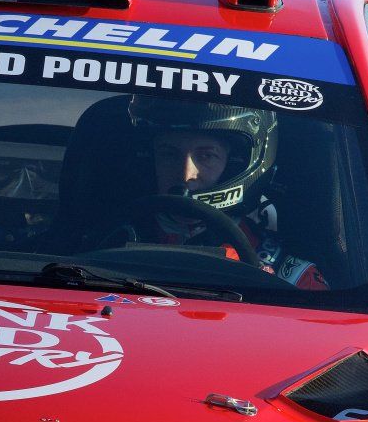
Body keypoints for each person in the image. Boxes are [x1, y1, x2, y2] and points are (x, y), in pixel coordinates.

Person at [126, 97, 328, 289]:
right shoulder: (107, 242)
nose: (185, 174)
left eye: (206, 156)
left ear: (234, 163)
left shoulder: (290, 278)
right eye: (169, 154)